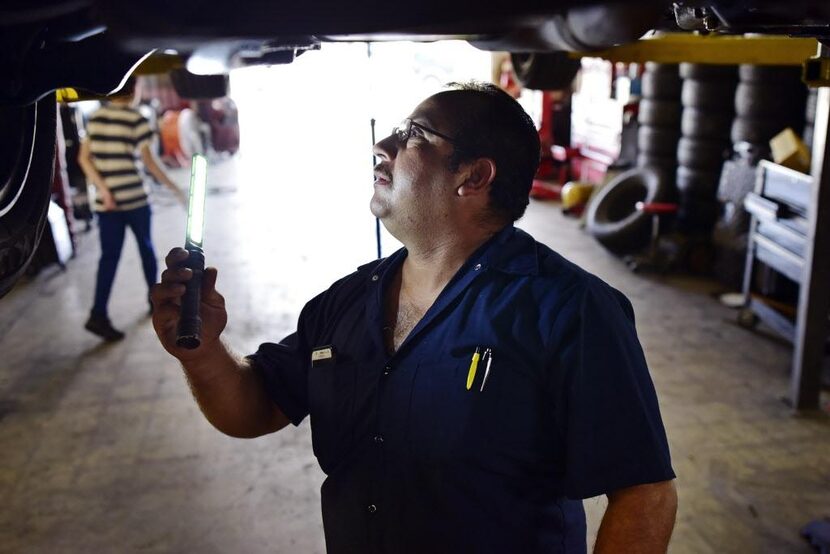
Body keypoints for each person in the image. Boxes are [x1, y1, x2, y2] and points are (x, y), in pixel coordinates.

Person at [151, 81, 677, 553]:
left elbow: (644, 494)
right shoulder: (346, 302)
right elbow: (255, 408)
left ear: (473, 177)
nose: (383, 149)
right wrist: (200, 354)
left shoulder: (569, 310)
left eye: (415, 136)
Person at [79, 77, 187, 341]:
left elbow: (84, 159)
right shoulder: (136, 118)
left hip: (108, 204)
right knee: (146, 250)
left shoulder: (95, 118)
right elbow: (150, 163)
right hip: (136, 199)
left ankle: (98, 314)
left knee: (109, 258)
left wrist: (103, 189)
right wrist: (176, 188)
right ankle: (156, 303)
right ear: (134, 88)